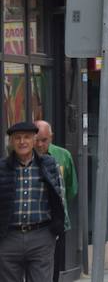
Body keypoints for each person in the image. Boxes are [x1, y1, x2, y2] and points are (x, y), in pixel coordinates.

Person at [0, 121, 65, 282]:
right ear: (11, 142)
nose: (22, 142)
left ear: (34, 140)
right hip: (8, 238)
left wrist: (56, 230)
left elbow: (60, 197)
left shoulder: (49, 165)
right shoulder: (2, 168)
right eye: (17, 138)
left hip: (41, 237)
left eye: (27, 137)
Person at [33, 121, 75, 282]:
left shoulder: (63, 156)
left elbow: (71, 188)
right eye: (37, 140)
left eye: (44, 140)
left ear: (51, 138)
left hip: (57, 223)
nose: (40, 144)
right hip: (33, 224)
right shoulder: (24, 157)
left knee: (54, 267)